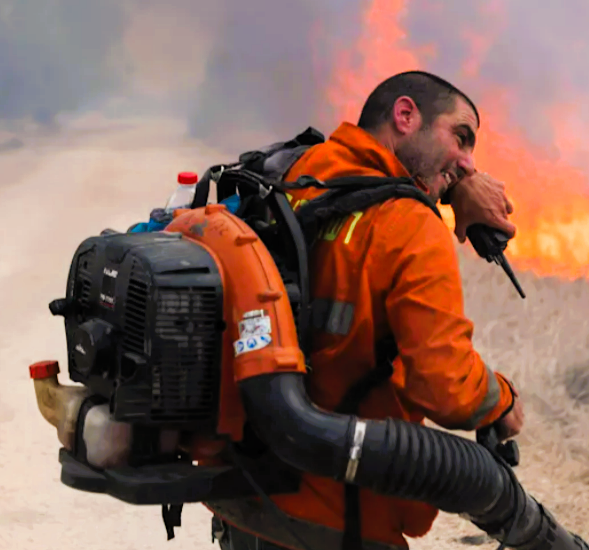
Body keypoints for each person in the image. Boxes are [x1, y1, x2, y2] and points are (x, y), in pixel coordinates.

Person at [211, 70, 526, 550]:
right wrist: (501, 398)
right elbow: (447, 388)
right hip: (338, 516)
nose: (468, 163)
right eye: (461, 138)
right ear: (405, 115)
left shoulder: (293, 174)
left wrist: (456, 186)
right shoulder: (410, 226)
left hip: (246, 498)